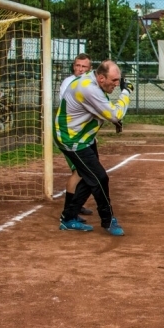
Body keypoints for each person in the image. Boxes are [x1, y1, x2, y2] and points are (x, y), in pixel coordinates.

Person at [55, 60, 133, 235]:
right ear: (100, 77)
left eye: (118, 81)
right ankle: (108, 220)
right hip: (72, 139)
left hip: (85, 137)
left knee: (87, 177)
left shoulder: (93, 83)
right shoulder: (88, 88)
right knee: (100, 178)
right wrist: (126, 92)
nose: (116, 84)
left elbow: (102, 110)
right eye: (114, 80)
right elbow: (115, 114)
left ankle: (68, 218)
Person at [57, 53, 95, 220]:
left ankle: (75, 207)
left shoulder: (88, 83)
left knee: (83, 173)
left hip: (82, 135)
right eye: (77, 65)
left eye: (83, 66)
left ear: (90, 69)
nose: (79, 69)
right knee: (79, 173)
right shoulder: (69, 83)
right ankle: (69, 211)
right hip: (71, 136)